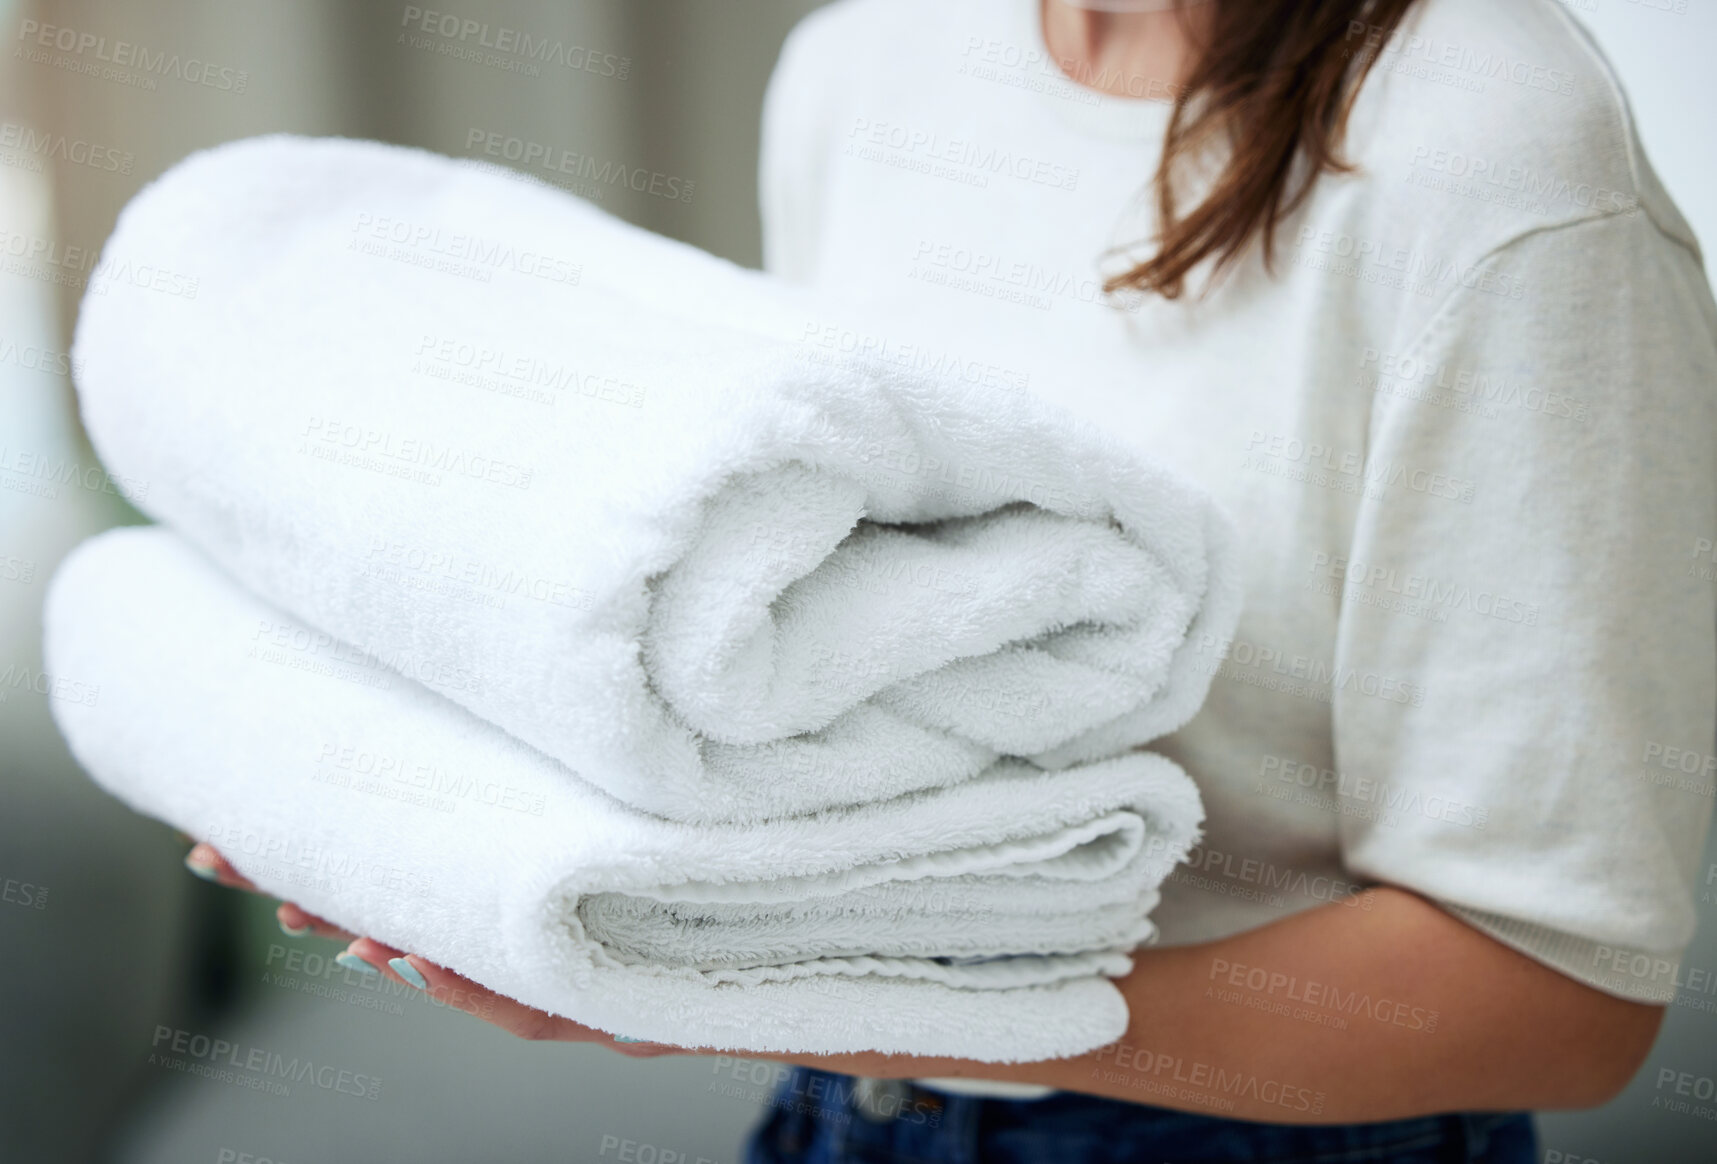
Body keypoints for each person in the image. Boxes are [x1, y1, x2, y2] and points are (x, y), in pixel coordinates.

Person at [187, 0, 1717, 1159]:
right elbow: (815, 652)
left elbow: (1550, 995)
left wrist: (756, 988)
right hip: (839, 1117)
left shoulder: (1493, 165)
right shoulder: (876, 57)